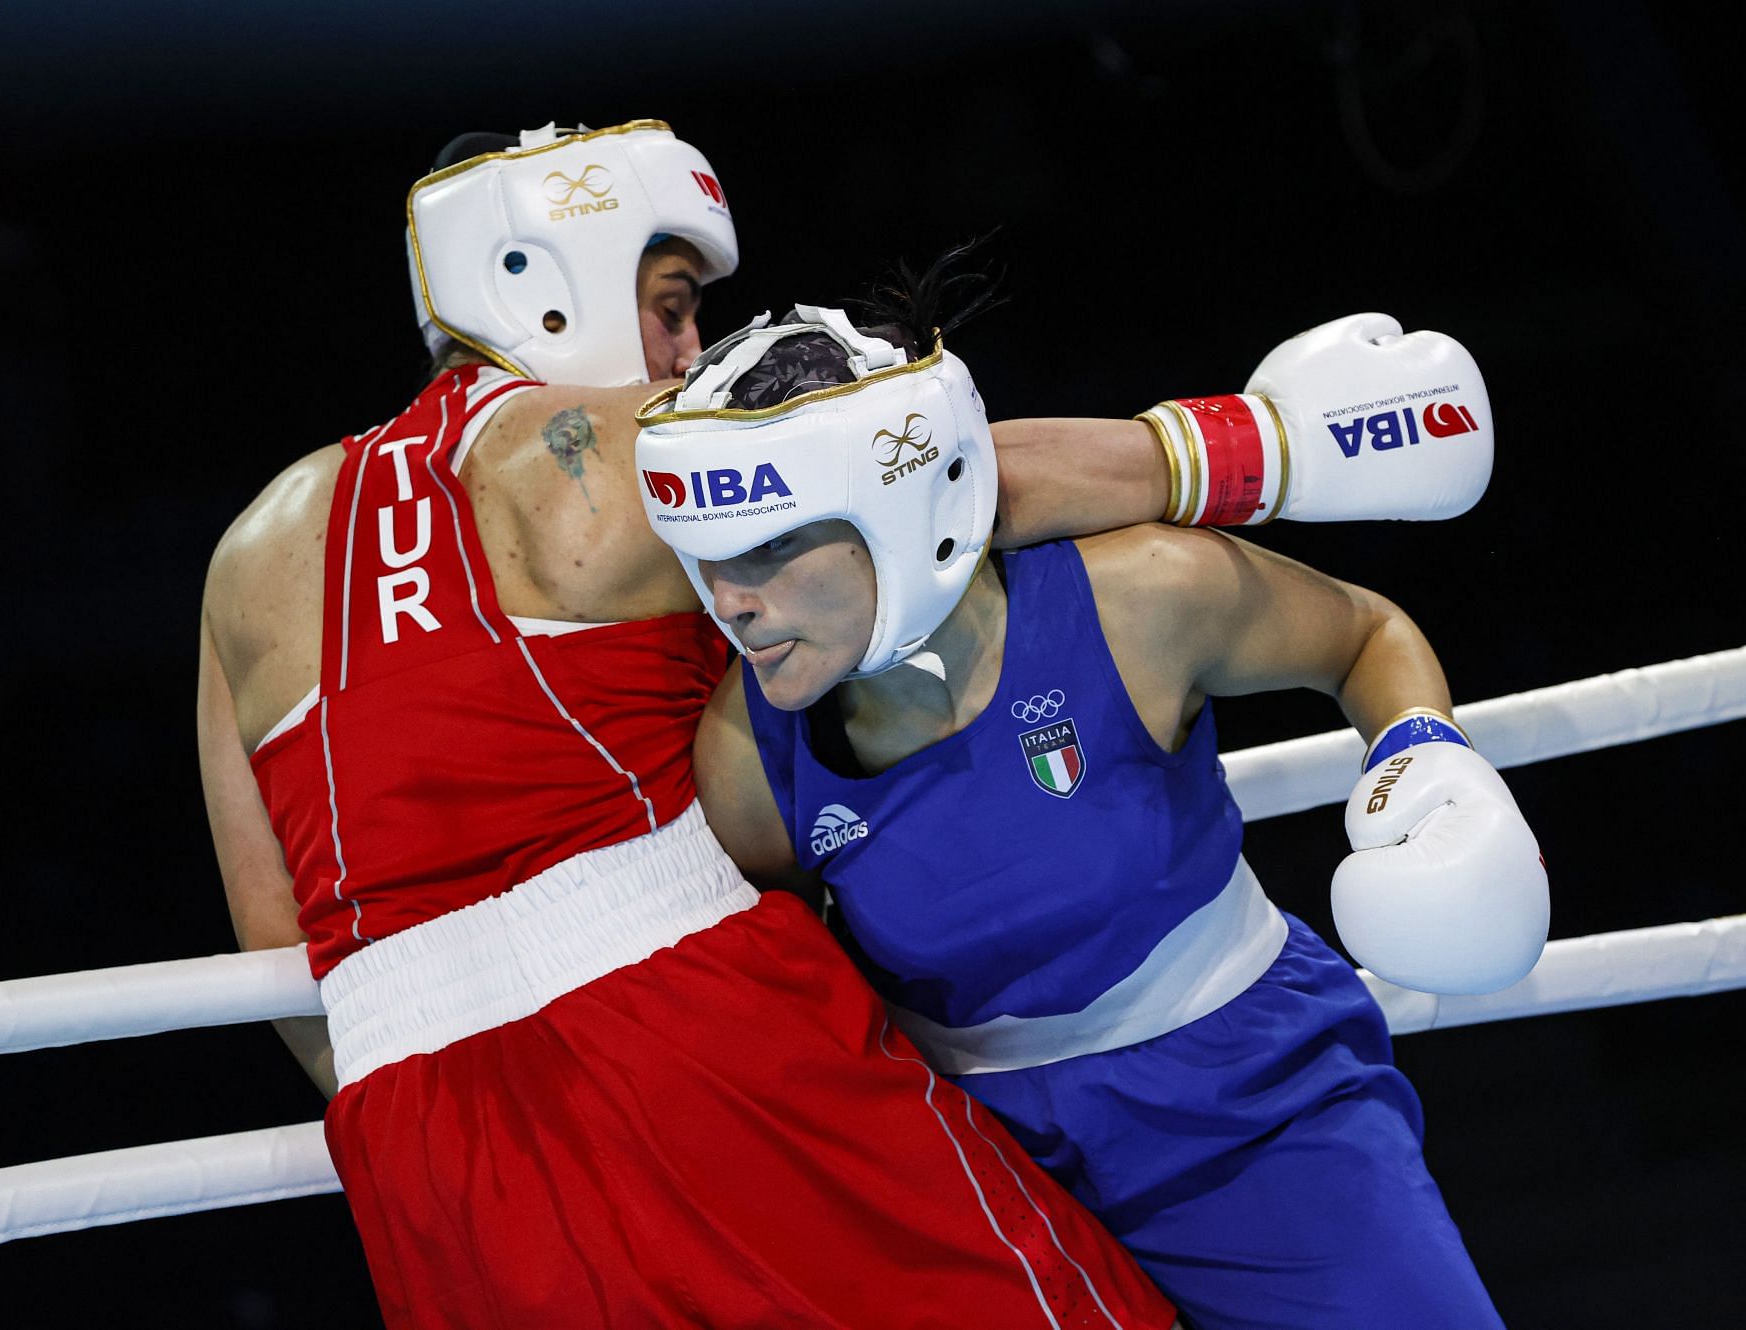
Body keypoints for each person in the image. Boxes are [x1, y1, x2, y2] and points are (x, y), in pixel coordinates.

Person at [197, 120, 1492, 1327]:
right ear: (549, 283)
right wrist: (1259, 445)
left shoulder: (247, 552)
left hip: (421, 1145)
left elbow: (283, 940)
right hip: (690, 1031)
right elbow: (923, 465)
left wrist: (455, 1091)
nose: (683, 352)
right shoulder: (590, 451)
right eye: (667, 307)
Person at [639, 284, 1546, 1329]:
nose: (730, 600)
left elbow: (1362, 635)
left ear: (893, 519)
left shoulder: (1139, 598)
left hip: (1251, 1105)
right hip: (976, 1167)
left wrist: (1426, 764)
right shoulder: (750, 753)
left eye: (766, 548)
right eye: (705, 557)